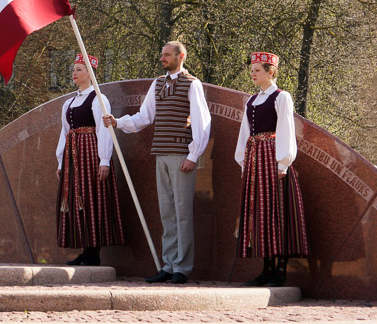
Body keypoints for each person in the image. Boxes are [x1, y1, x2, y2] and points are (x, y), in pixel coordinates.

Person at [103, 41, 211, 284]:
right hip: (161, 153)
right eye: (162, 54)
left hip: (181, 155)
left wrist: (193, 156)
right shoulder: (158, 84)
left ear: (180, 56)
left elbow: (203, 122)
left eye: (167, 54)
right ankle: (169, 264)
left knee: (182, 213)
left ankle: (183, 268)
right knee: (167, 213)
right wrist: (118, 122)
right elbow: (145, 117)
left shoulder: (192, 84)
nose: (162, 58)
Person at [235, 52, 309, 286]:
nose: (253, 73)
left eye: (257, 70)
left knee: (278, 211)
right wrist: (243, 162)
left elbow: (286, 127)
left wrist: (283, 163)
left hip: (273, 158)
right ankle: (266, 269)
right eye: (252, 70)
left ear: (271, 72)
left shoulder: (281, 97)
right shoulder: (250, 100)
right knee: (260, 212)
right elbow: (244, 133)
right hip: (256, 158)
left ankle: (280, 270)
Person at [55, 54, 125, 265]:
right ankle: (85, 250)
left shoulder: (98, 98)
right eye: (74, 69)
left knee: (92, 198)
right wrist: (60, 161)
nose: (74, 73)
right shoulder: (68, 102)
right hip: (73, 155)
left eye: (78, 69)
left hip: (90, 153)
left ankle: (93, 252)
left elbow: (104, 130)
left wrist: (104, 159)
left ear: (89, 73)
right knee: (77, 199)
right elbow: (64, 132)